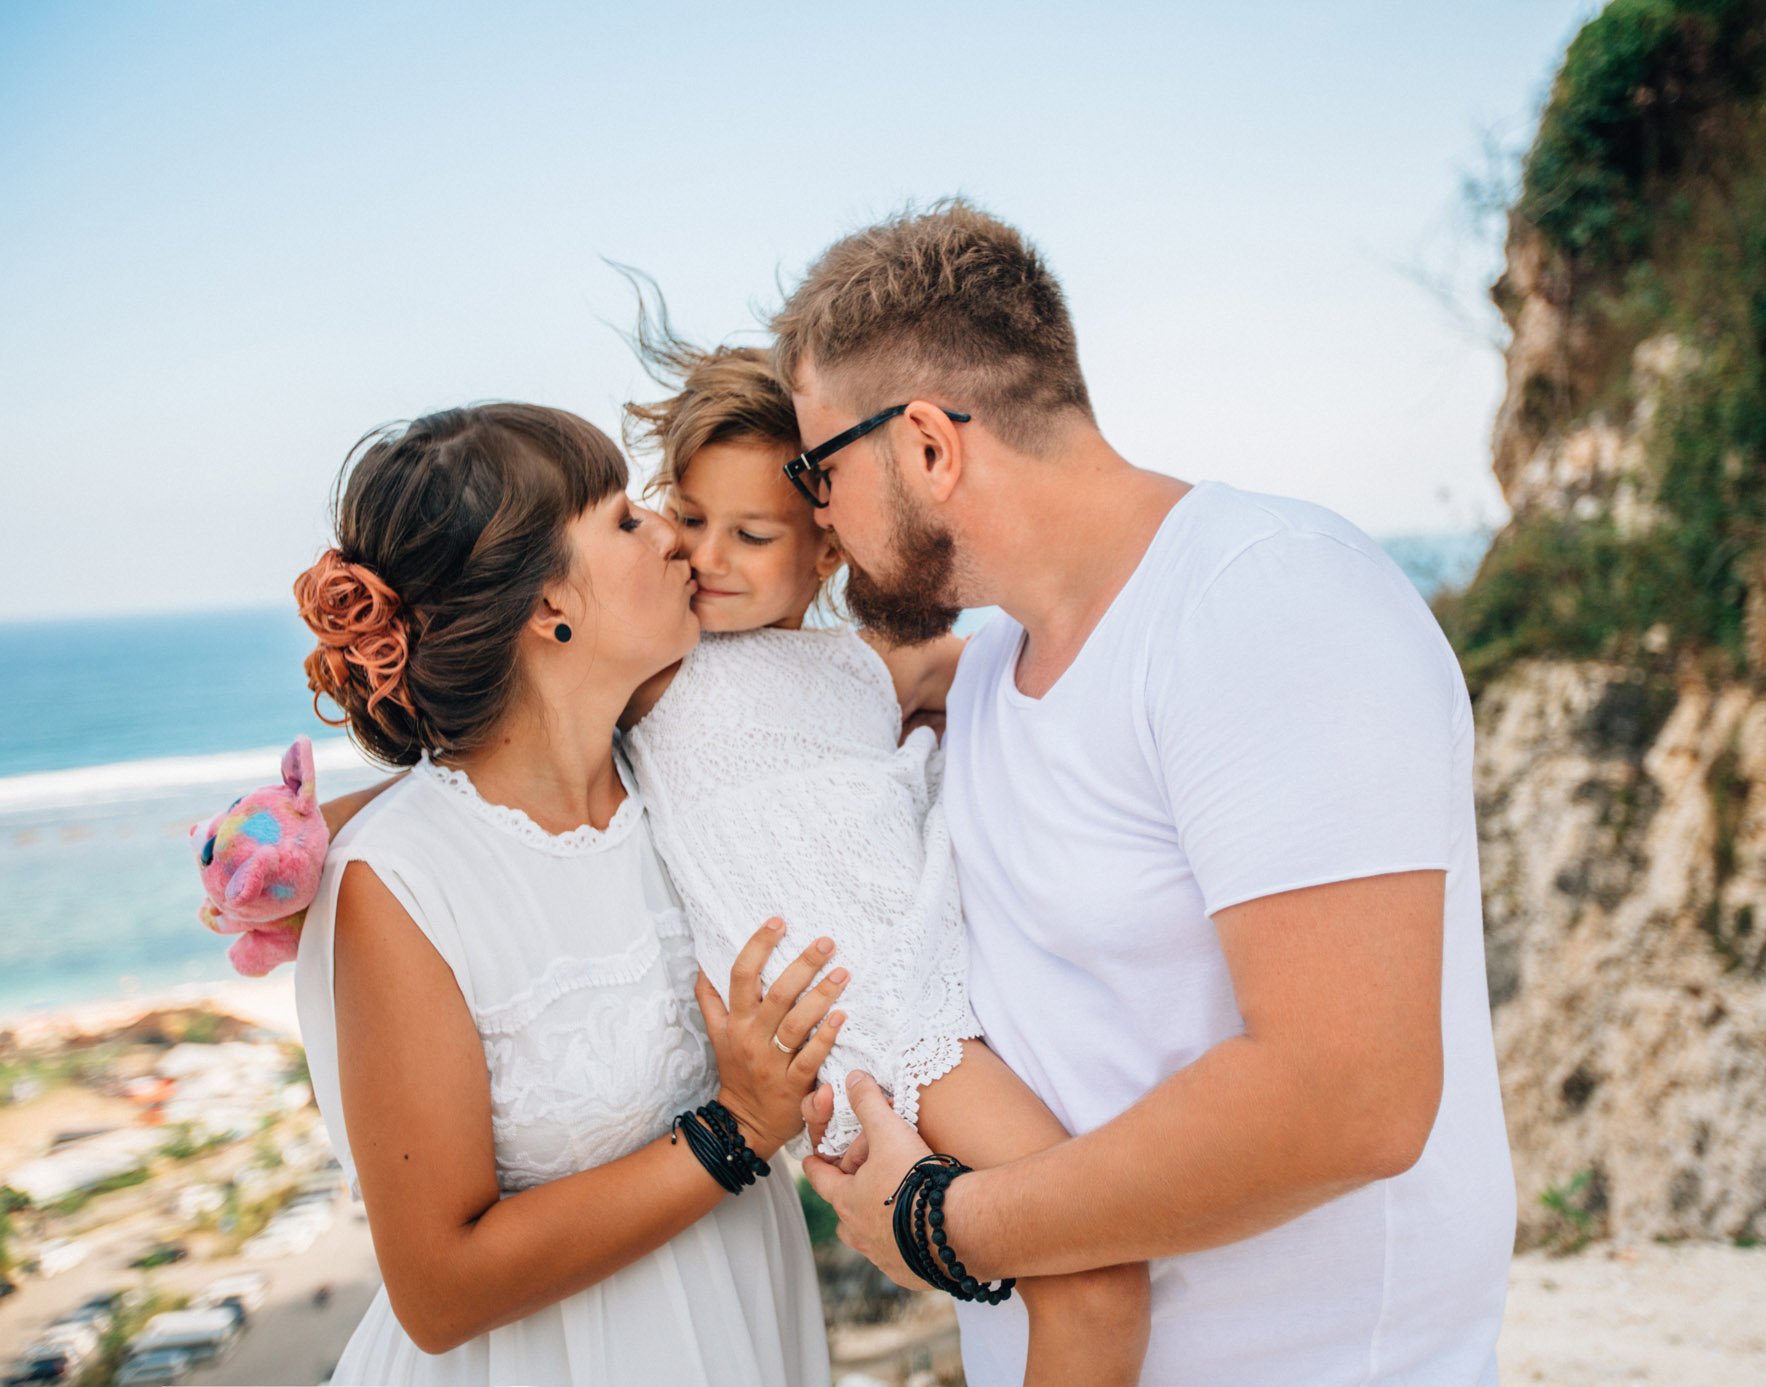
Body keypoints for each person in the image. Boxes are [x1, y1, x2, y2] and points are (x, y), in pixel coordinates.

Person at [782, 201, 1518, 1385]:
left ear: (927, 445)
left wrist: (939, 1223)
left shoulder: (1263, 604)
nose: (813, 515)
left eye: (817, 469)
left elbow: (1350, 1098)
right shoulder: (989, 678)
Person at [614, 321, 1149, 1385]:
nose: (708, 558)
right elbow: (494, 764)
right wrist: (302, 846)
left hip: (937, 993)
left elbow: (1010, 655)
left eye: (751, 535)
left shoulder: (863, 660)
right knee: (1093, 1276)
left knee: (1090, 1274)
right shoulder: (650, 668)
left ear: (825, 544)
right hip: (875, 1025)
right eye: (689, 519)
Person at [290, 403, 841, 1385]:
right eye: (625, 519)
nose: (673, 531)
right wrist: (739, 1126)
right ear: (550, 607)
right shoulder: (403, 883)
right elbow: (438, 1290)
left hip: (741, 1330)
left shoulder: (681, 768)